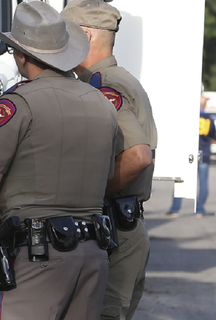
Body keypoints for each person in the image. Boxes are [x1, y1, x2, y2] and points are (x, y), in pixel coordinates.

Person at [0, 2, 120, 319]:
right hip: (94, 252)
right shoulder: (102, 103)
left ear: (22, 55)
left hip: (38, 254)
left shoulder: (18, 103)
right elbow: (107, 177)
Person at [62, 1, 158, 319]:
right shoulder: (114, 79)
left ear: (86, 36)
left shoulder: (106, 86)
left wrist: (91, 194)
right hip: (121, 225)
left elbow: (139, 156)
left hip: (115, 228)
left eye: (65, 34)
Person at [167, 95, 216, 218]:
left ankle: (175, 210)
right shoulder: (209, 118)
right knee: (203, 183)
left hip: (188, 154)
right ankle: (199, 210)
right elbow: (213, 138)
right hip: (204, 153)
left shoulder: (189, 116)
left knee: (181, 181)